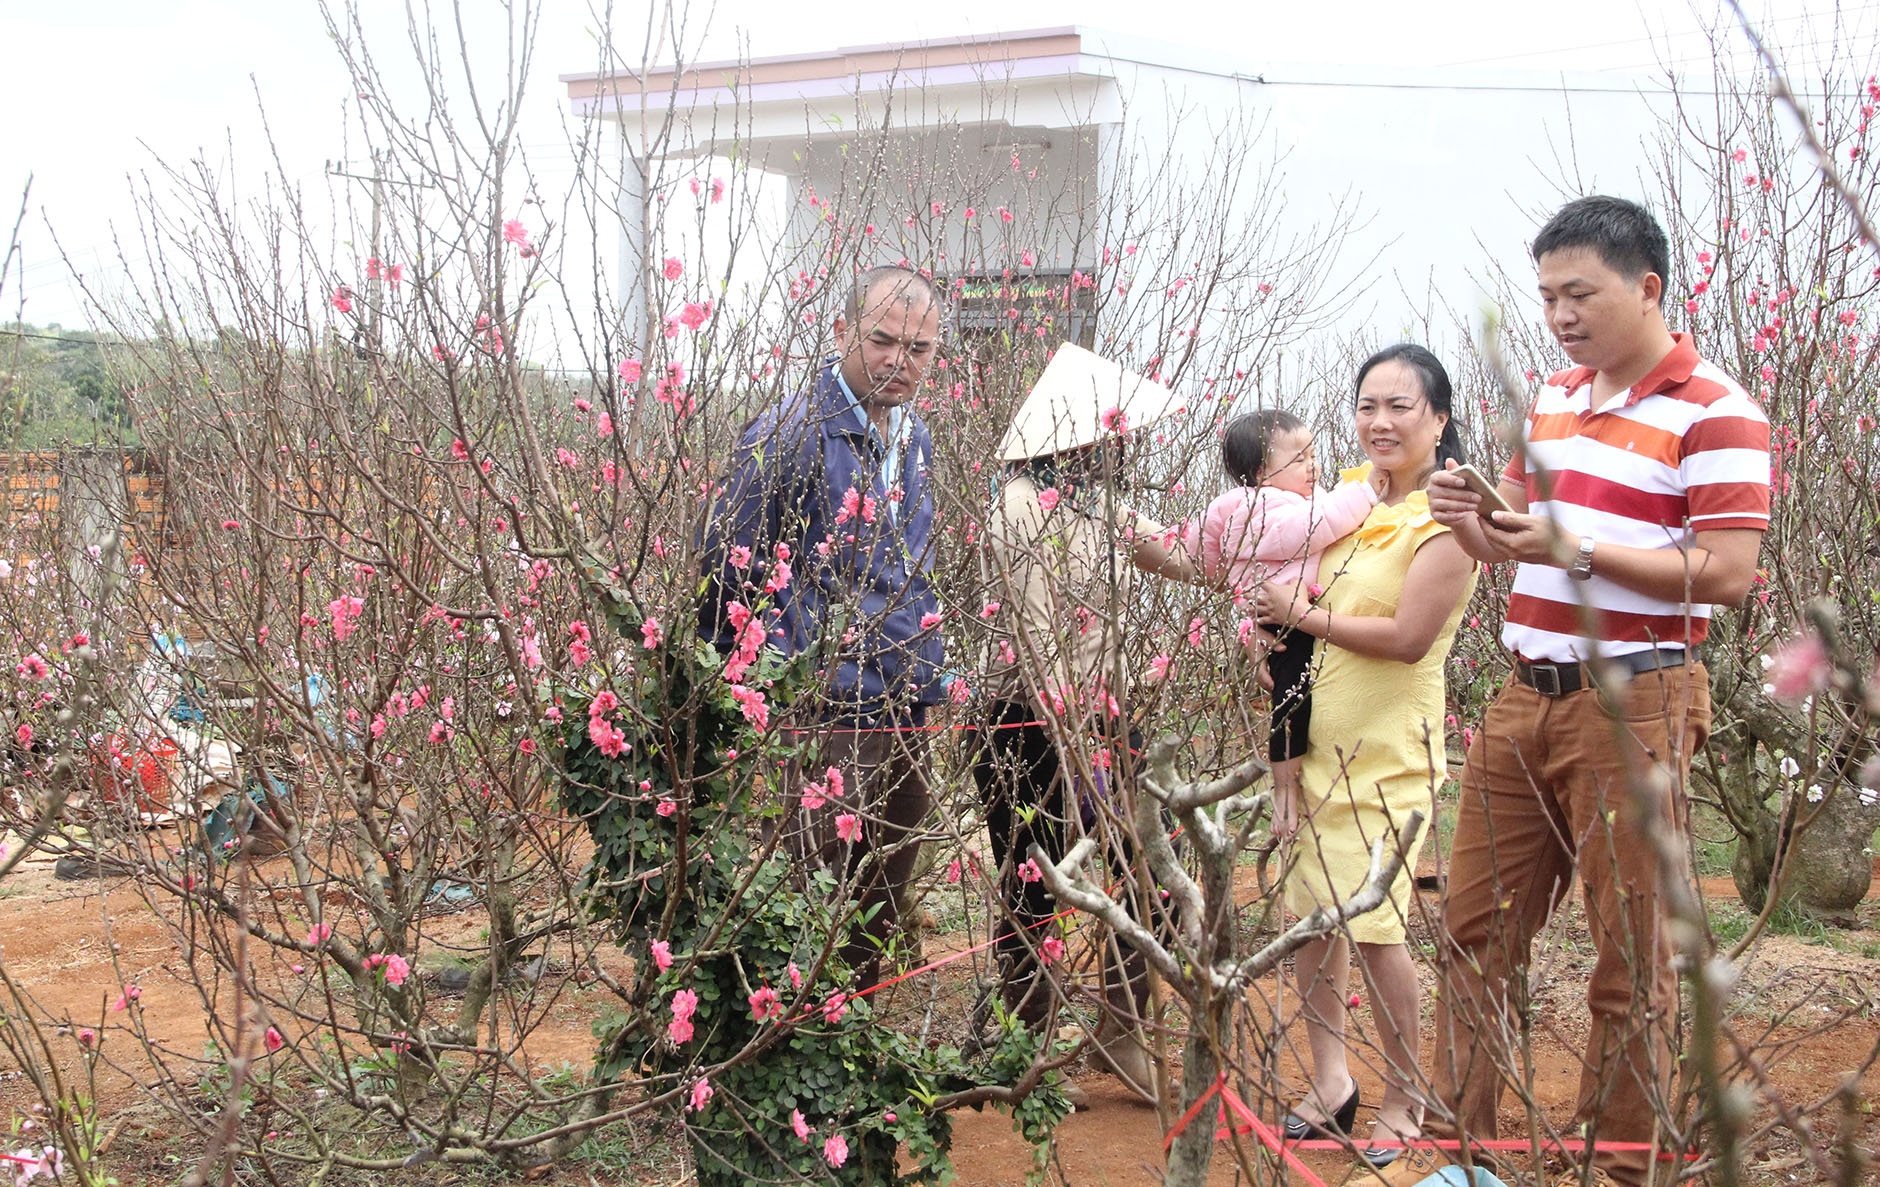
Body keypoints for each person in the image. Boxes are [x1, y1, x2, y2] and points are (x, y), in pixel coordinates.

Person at [1402, 196, 1771, 1187]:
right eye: (1546, 297)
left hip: (1637, 698)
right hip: (1524, 692)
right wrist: (1466, 515)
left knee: (1630, 952)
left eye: (1578, 293)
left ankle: (1624, 1164)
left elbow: (1728, 571)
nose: (1559, 316)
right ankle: (1461, 1161)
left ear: (1646, 287)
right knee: (1471, 931)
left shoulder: (1716, 410)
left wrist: (1576, 546)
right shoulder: (1554, 398)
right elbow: (1516, 543)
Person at [1252, 344, 1477, 1166]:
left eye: (1400, 406)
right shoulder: (1347, 499)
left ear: (1439, 419)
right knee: (1314, 920)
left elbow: (1409, 638)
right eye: (1367, 405)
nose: (1380, 422)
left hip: (1388, 757)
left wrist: (1302, 618)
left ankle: (1405, 1096)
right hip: (1318, 748)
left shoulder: (1448, 520)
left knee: (1377, 928)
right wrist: (1275, 632)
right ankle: (1332, 1079)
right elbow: (1295, 584)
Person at [698, 265, 945, 983]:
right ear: (841, 332)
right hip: (822, 708)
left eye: (919, 349)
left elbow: (908, 565)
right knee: (813, 894)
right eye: (883, 340)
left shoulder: (914, 437)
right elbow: (726, 562)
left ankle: (857, 1034)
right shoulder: (791, 431)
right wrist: (766, 683)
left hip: (902, 698)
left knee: (883, 889)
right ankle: (802, 1037)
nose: (900, 361)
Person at [974, 343, 1195, 1104]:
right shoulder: (1018, 505)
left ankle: (1120, 1028)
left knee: (1152, 864)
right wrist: (1077, 748)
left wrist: (1269, 536)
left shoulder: (1096, 502)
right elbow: (1037, 636)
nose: (1120, 442)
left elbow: (1180, 554)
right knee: (1033, 879)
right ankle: (1024, 1042)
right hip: (1029, 721)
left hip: (1101, 715)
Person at [1182, 409, 1385, 835]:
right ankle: (1285, 793)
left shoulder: (1272, 501)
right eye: (1299, 459)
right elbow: (1315, 526)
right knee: (1292, 704)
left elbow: (1201, 549)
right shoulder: (1261, 507)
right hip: (1284, 626)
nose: (1312, 466)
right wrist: (1366, 492)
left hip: (1291, 615)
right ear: (1261, 473)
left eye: (1313, 455)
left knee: (1297, 702)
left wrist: (1236, 588)